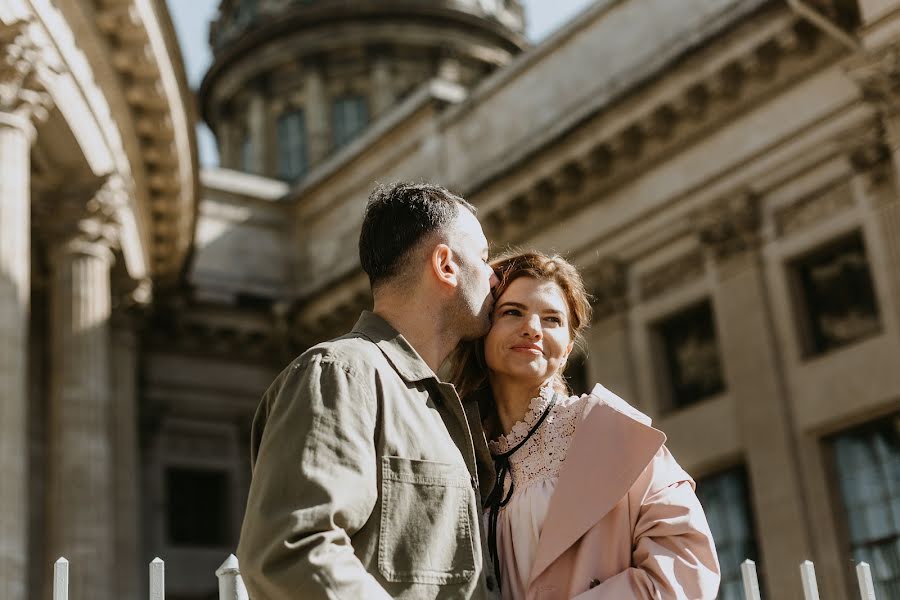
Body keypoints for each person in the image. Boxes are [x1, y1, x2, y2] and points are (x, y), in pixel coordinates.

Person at [237, 182, 502, 599]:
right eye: (484, 258)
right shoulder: (339, 374)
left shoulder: (430, 402)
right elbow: (292, 554)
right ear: (446, 265)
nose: (494, 275)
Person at [450, 251, 720, 599]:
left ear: (566, 349)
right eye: (512, 312)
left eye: (552, 320)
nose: (532, 329)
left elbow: (687, 569)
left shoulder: (615, 432)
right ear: (483, 330)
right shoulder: (457, 453)